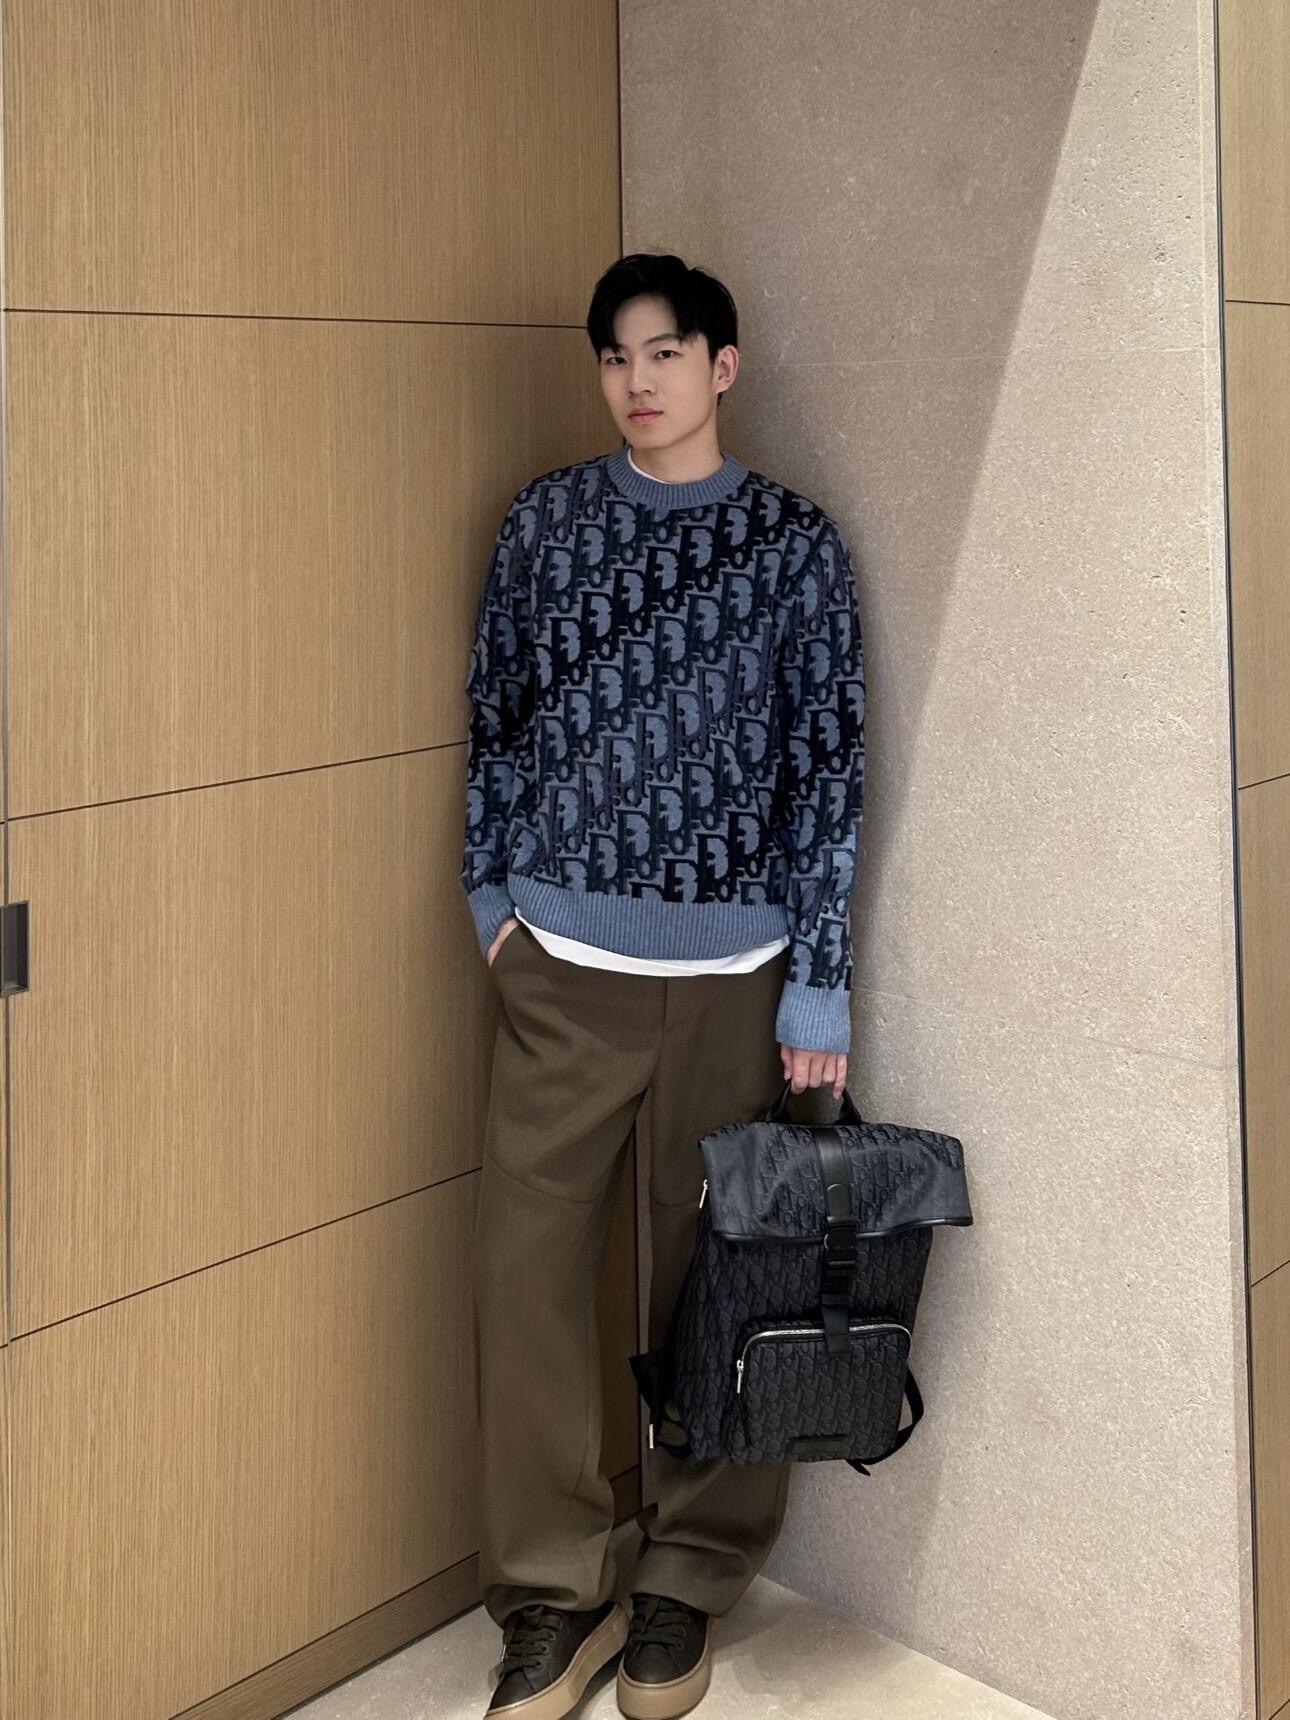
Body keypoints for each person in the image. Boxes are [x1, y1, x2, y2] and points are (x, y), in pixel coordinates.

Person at [460, 251, 865, 1719]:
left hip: (733, 982)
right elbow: (495, 721)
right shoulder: (544, 525)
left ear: (721, 366)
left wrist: (817, 985)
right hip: (559, 977)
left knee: (720, 1286)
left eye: (665, 352)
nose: (637, 381)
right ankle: (550, 1595)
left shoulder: (793, 545)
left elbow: (828, 770)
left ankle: (687, 1578)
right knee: (524, 1281)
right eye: (616, 357)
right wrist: (490, 906)